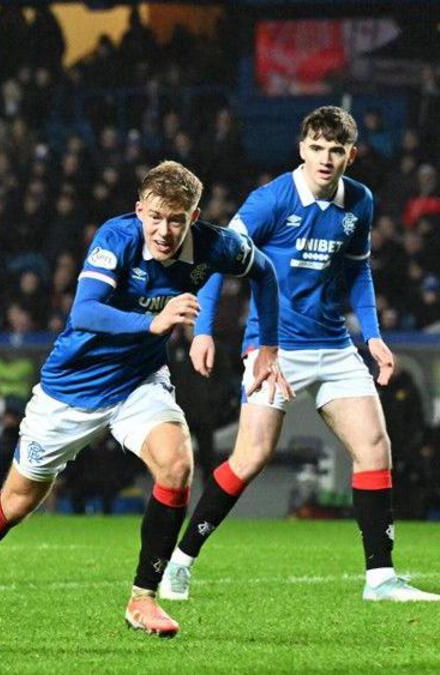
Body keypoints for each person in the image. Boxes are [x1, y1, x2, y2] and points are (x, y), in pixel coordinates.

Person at [0, 161, 290, 641]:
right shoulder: (117, 238)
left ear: (193, 217)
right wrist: (152, 323)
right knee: (15, 503)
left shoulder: (217, 245)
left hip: (137, 382)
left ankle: (143, 598)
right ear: (139, 210)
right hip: (72, 387)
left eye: (176, 220)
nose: (164, 231)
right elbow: (85, 311)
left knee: (177, 465)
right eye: (155, 217)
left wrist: (269, 346)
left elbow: (265, 271)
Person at [159, 106, 440, 603]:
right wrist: (202, 331)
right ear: (302, 149)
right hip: (275, 348)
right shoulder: (271, 200)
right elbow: (218, 260)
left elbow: (358, 270)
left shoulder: (360, 201)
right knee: (251, 457)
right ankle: (180, 561)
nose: (326, 158)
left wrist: (373, 336)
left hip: (334, 346)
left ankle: (380, 578)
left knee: (375, 448)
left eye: (336, 150)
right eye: (317, 147)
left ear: (351, 155)